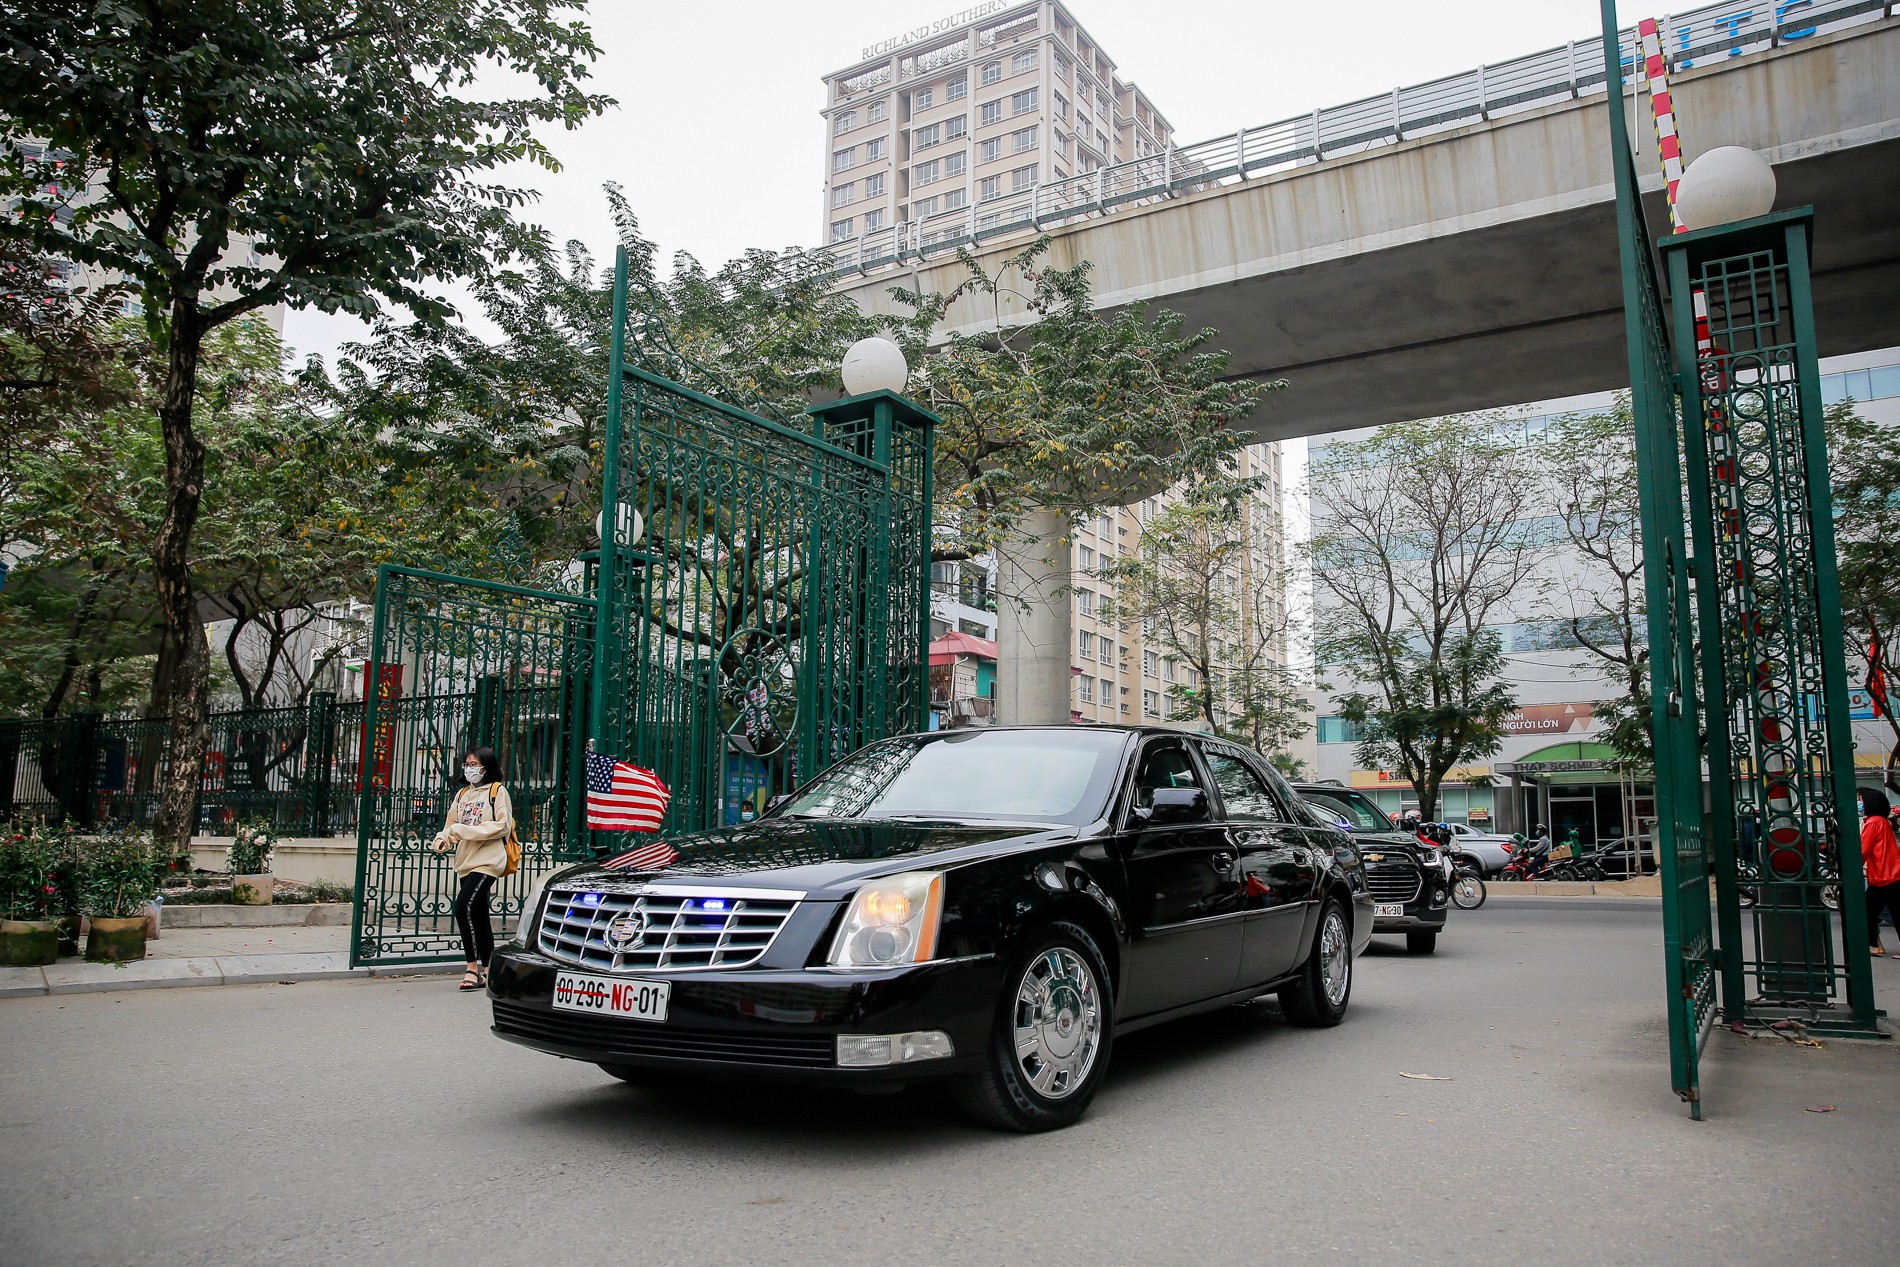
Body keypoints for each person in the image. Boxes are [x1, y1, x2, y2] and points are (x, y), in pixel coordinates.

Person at [431, 747, 515, 990]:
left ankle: (471, 967)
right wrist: (444, 839)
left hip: (488, 861)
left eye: (475, 764)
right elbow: (451, 825)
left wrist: (462, 831)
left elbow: (503, 826)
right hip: (465, 861)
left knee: (462, 907)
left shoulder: (497, 791)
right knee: (478, 915)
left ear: (486, 767)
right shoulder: (462, 795)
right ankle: (489, 970)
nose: (470, 768)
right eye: (467, 763)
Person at [1858, 787, 1900, 957]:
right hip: (1887, 875)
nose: (1860, 803)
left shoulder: (1874, 822)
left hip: (1884, 876)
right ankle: (1873, 945)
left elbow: (1862, 849)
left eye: (1861, 799)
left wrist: (1851, 866)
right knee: (1876, 911)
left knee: (1870, 911)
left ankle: (1873, 945)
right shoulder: (1881, 821)